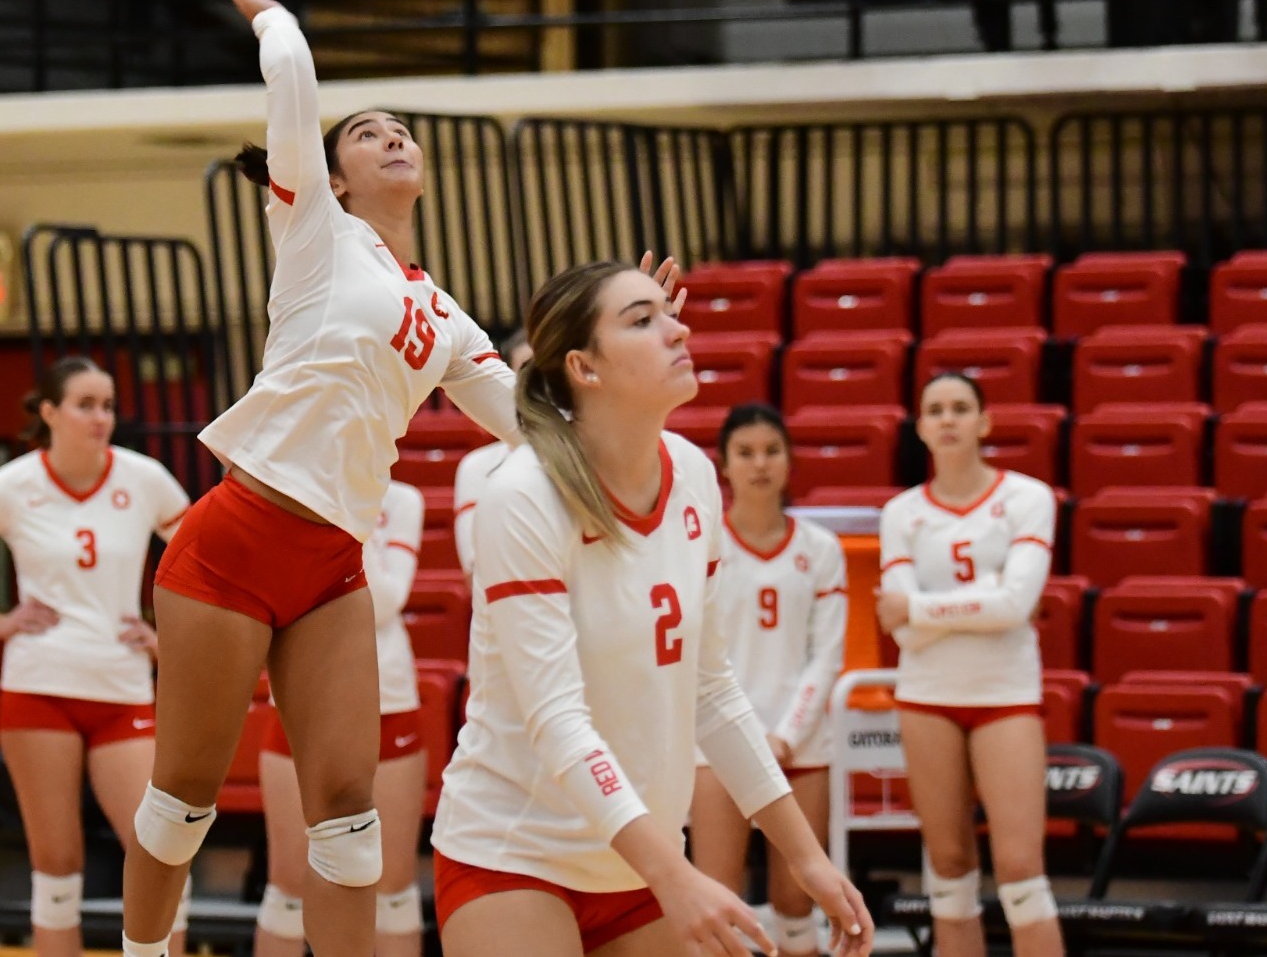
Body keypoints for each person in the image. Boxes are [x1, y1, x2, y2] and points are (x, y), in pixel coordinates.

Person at [121, 0, 625, 957]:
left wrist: (613, 390)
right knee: (182, 803)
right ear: (335, 174)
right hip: (231, 543)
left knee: (351, 819)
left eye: (404, 129)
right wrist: (277, 22)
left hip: (330, 567)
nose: (394, 136)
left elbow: (523, 422)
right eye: (369, 132)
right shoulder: (314, 232)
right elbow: (295, 88)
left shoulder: (441, 313)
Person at [431, 262, 873, 957]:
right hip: (514, 853)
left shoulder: (695, 475)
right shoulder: (521, 496)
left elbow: (712, 691)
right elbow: (557, 722)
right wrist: (678, 876)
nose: (680, 329)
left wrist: (805, 854)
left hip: (641, 858)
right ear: (584, 366)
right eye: (643, 320)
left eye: (669, 313)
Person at [0, 357, 192, 957]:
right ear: (49, 413)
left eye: (108, 405)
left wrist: (169, 639)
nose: (101, 417)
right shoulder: (14, 485)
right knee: (57, 864)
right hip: (40, 688)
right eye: (85, 404)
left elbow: (203, 565)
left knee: (158, 848)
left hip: (122, 690)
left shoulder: (145, 480)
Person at [876, 373, 1063, 957]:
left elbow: (1016, 605)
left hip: (1005, 695)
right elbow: (898, 625)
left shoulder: (1027, 498)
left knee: (1021, 873)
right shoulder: (901, 512)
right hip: (926, 695)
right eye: (936, 409)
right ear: (922, 428)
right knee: (949, 873)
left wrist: (925, 608)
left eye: (961, 408)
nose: (949, 418)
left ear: (985, 423)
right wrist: (977, 601)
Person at [689, 403, 848, 957]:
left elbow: (826, 657)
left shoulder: (821, 550)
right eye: (746, 453)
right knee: (716, 900)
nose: (760, 463)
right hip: (714, 744)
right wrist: (745, 738)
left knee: (798, 903)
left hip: (800, 743)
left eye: (772, 450)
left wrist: (784, 734)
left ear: (789, 460)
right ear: (724, 467)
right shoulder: (701, 547)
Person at [255, 480, 428, 957]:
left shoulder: (402, 499)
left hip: (387, 698)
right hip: (300, 699)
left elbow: (388, 599)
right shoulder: (288, 489)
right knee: (288, 888)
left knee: (393, 891)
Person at [452, 329, 534, 576]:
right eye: (529, 370)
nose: (543, 380)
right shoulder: (477, 467)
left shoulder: (593, 451)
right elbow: (475, 569)